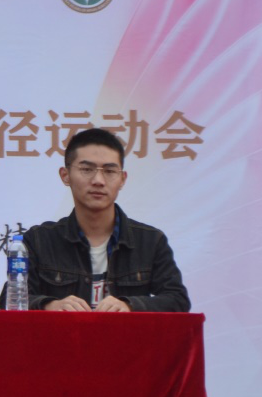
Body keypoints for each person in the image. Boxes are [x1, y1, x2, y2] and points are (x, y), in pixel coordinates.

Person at [13, 127, 190, 312]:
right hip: (62, 332)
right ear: (65, 175)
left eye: (109, 171)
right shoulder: (39, 240)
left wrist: (130, 306)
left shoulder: (151, 241)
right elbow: (10, 300)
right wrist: (50, 305)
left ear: (122, 179)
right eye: (86, 169)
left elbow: (178, 300)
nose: (98, 180)